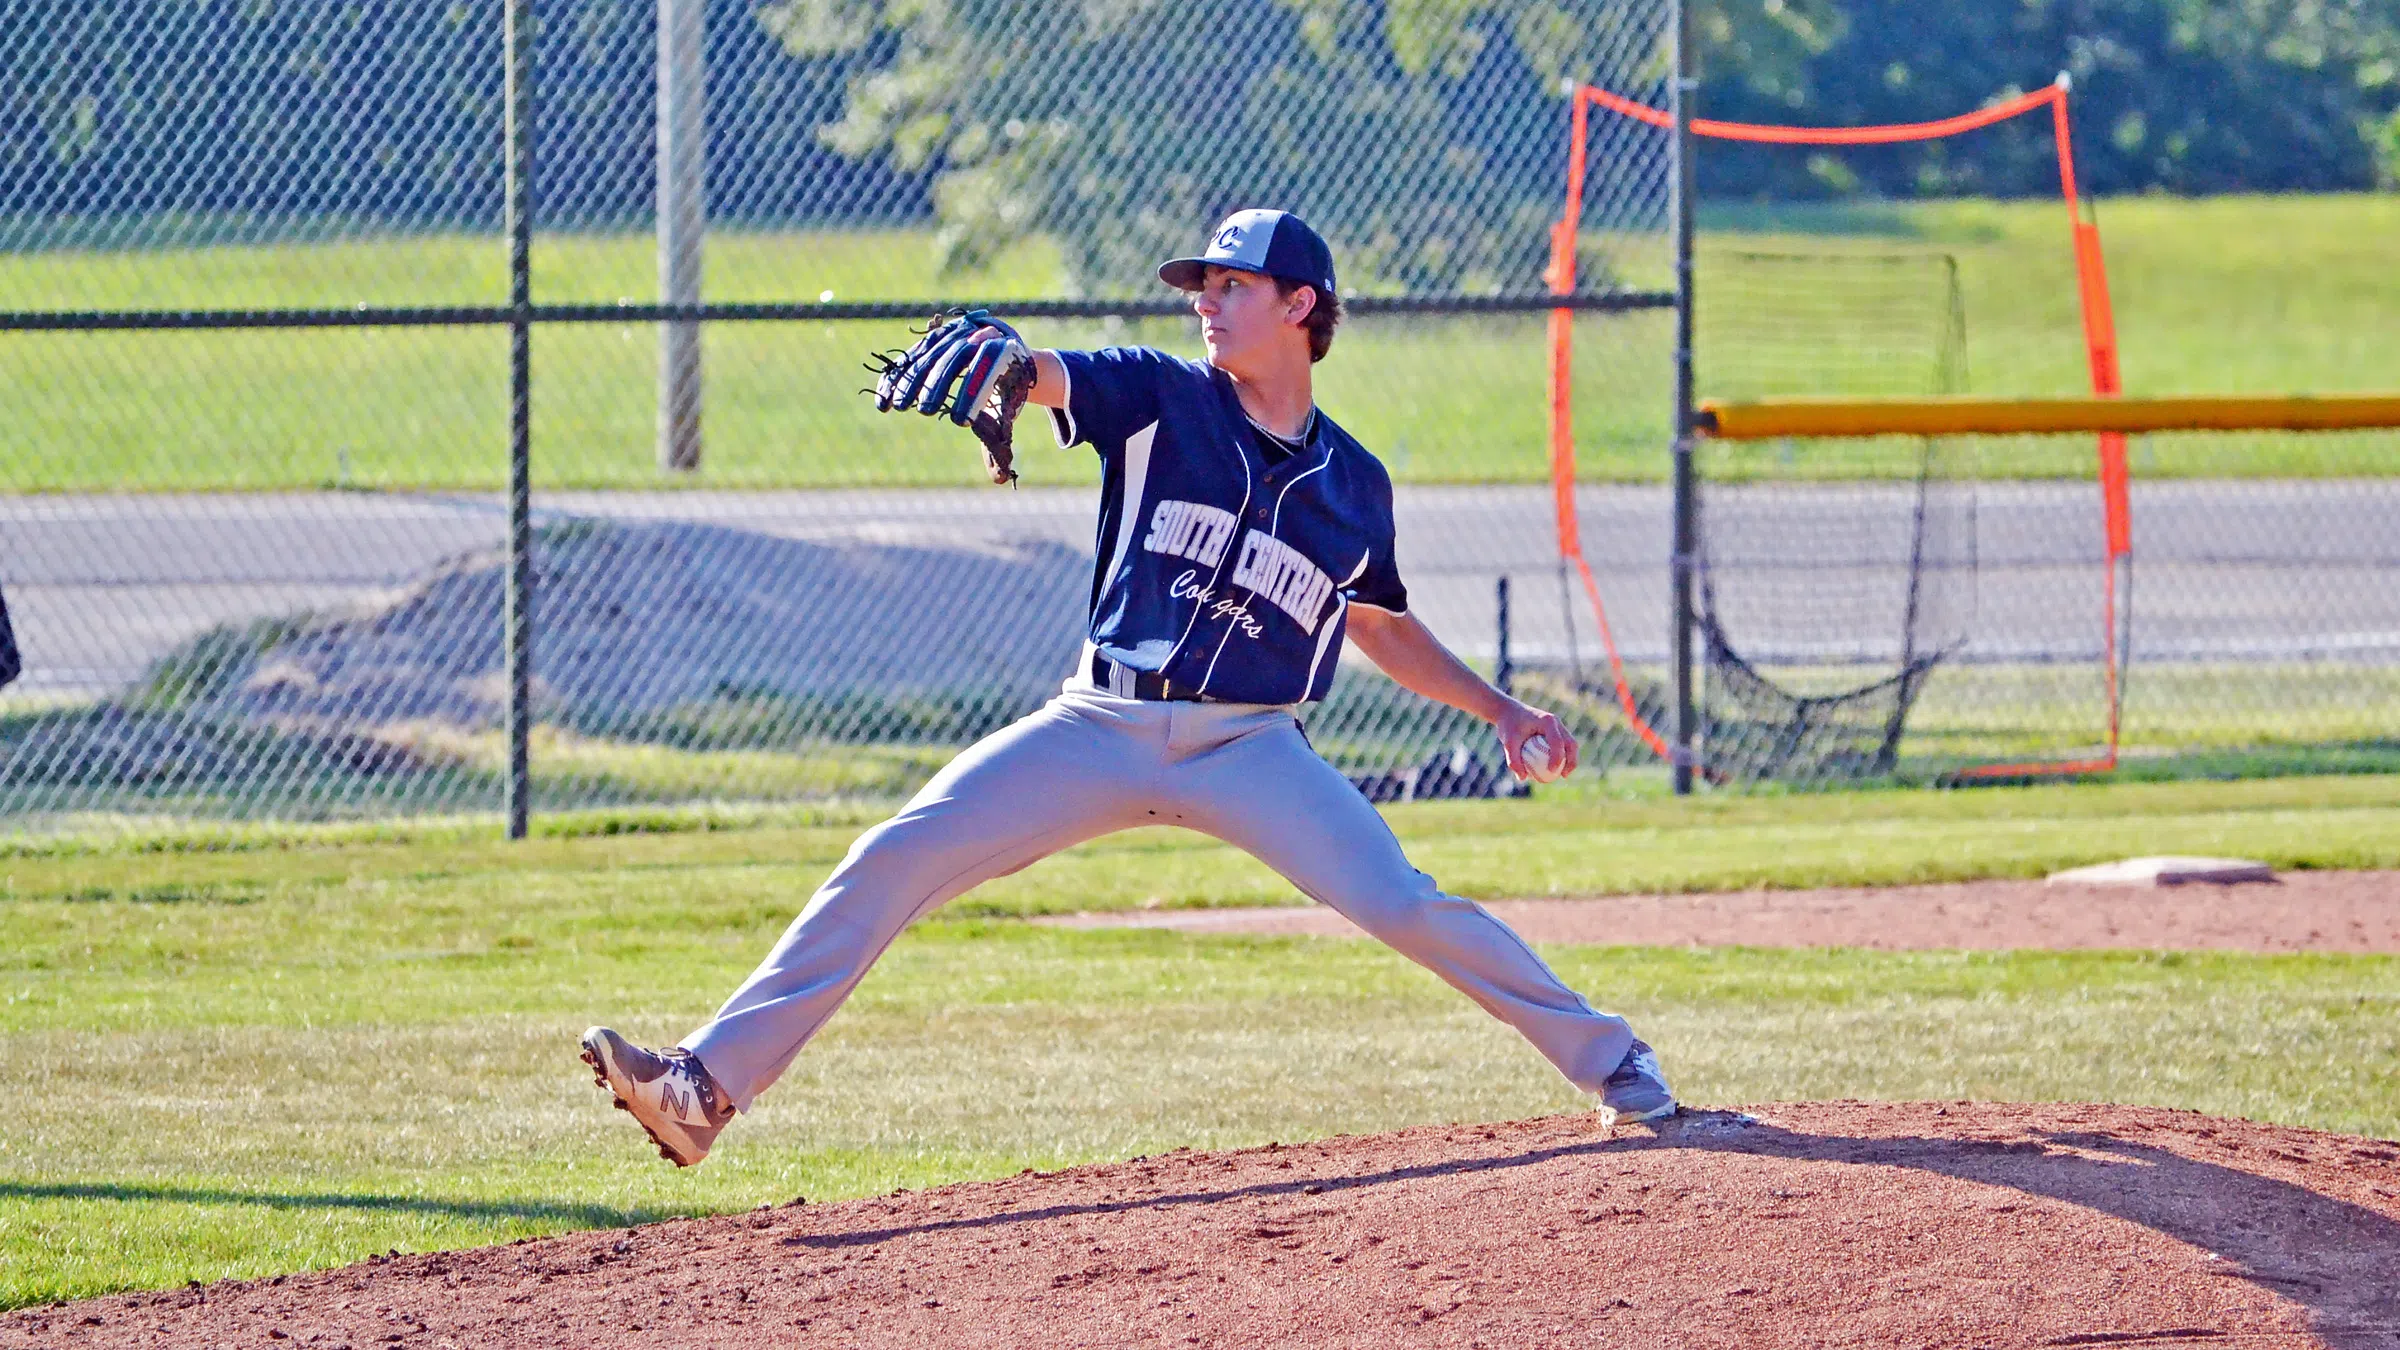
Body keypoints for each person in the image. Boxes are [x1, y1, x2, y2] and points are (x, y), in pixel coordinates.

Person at [581, 209, 1673, 1167]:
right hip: (1099, 720)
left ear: (1302, 305)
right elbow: (1049, 370)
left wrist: (1503, 711)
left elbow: (1377, 621)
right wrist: (1007, 356)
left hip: (1252, 747)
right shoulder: (1161, 397)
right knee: (897, 853)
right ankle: (702, 1090)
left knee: (1403, 902)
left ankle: (1611, 1056)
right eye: (1201, 285)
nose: (1208, 302)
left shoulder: (1353, 484)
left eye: (1232, 285)